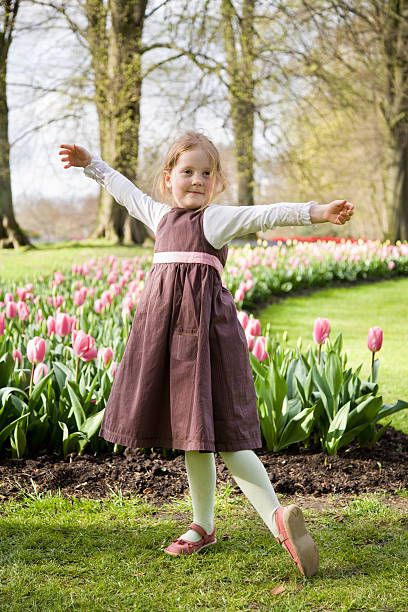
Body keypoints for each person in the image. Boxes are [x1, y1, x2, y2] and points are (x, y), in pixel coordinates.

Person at [59, 132, 353, 577]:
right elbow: (123, 191)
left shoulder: (213, 221)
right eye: (187, 171)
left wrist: (317, 212)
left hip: (208, 343)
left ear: (216, 183)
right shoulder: (159, 216)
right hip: (168, 342)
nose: (196, 180)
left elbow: (266, 213)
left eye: (206, 173)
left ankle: (279, 521)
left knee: (229, 438)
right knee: (190, 431)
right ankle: (204, 524)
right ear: (168, 179)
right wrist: (90, 163)